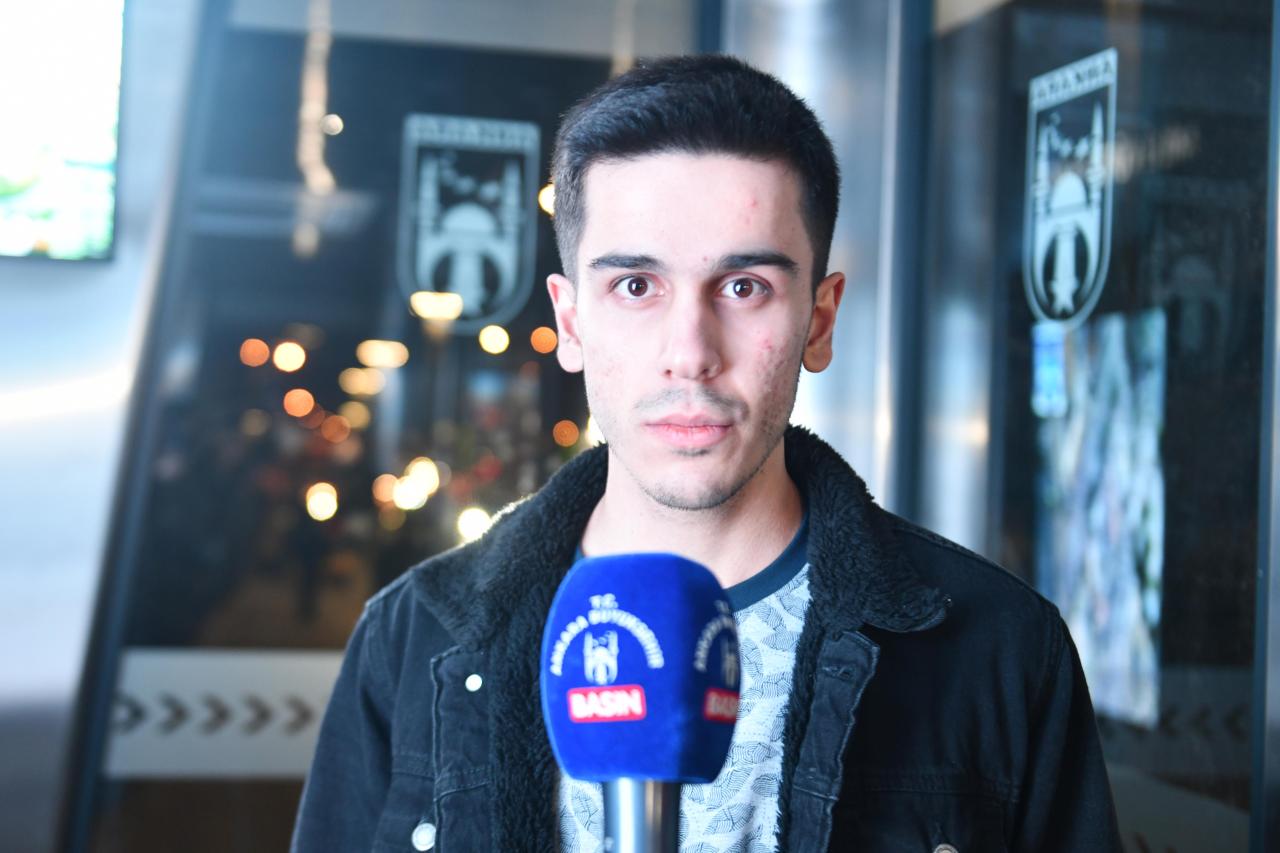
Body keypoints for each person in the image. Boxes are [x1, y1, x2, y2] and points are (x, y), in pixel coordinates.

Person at [291, 54, 1122, 852]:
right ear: (572, 322)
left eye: (744, 286)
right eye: (636, 286)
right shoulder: (414, 637)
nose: (690, 353)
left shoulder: (999, 649)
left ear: (819, 320)